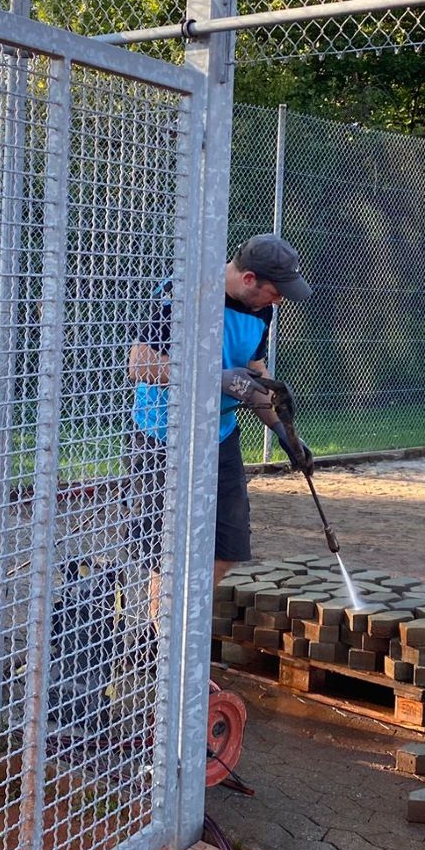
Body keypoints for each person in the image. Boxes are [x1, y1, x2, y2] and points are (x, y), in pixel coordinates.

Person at [127, 234, 315, 586]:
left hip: (220, 436)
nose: (279, 301)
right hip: (163, 437)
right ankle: (163, 622)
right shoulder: (183, 292)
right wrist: (213, 378)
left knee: (228, 547)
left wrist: (283, 432)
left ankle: (193, 616)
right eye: (276, 291)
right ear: (249, 279)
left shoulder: (261, 309)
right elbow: (140, 364)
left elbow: (254, 373)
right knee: (165, 554)